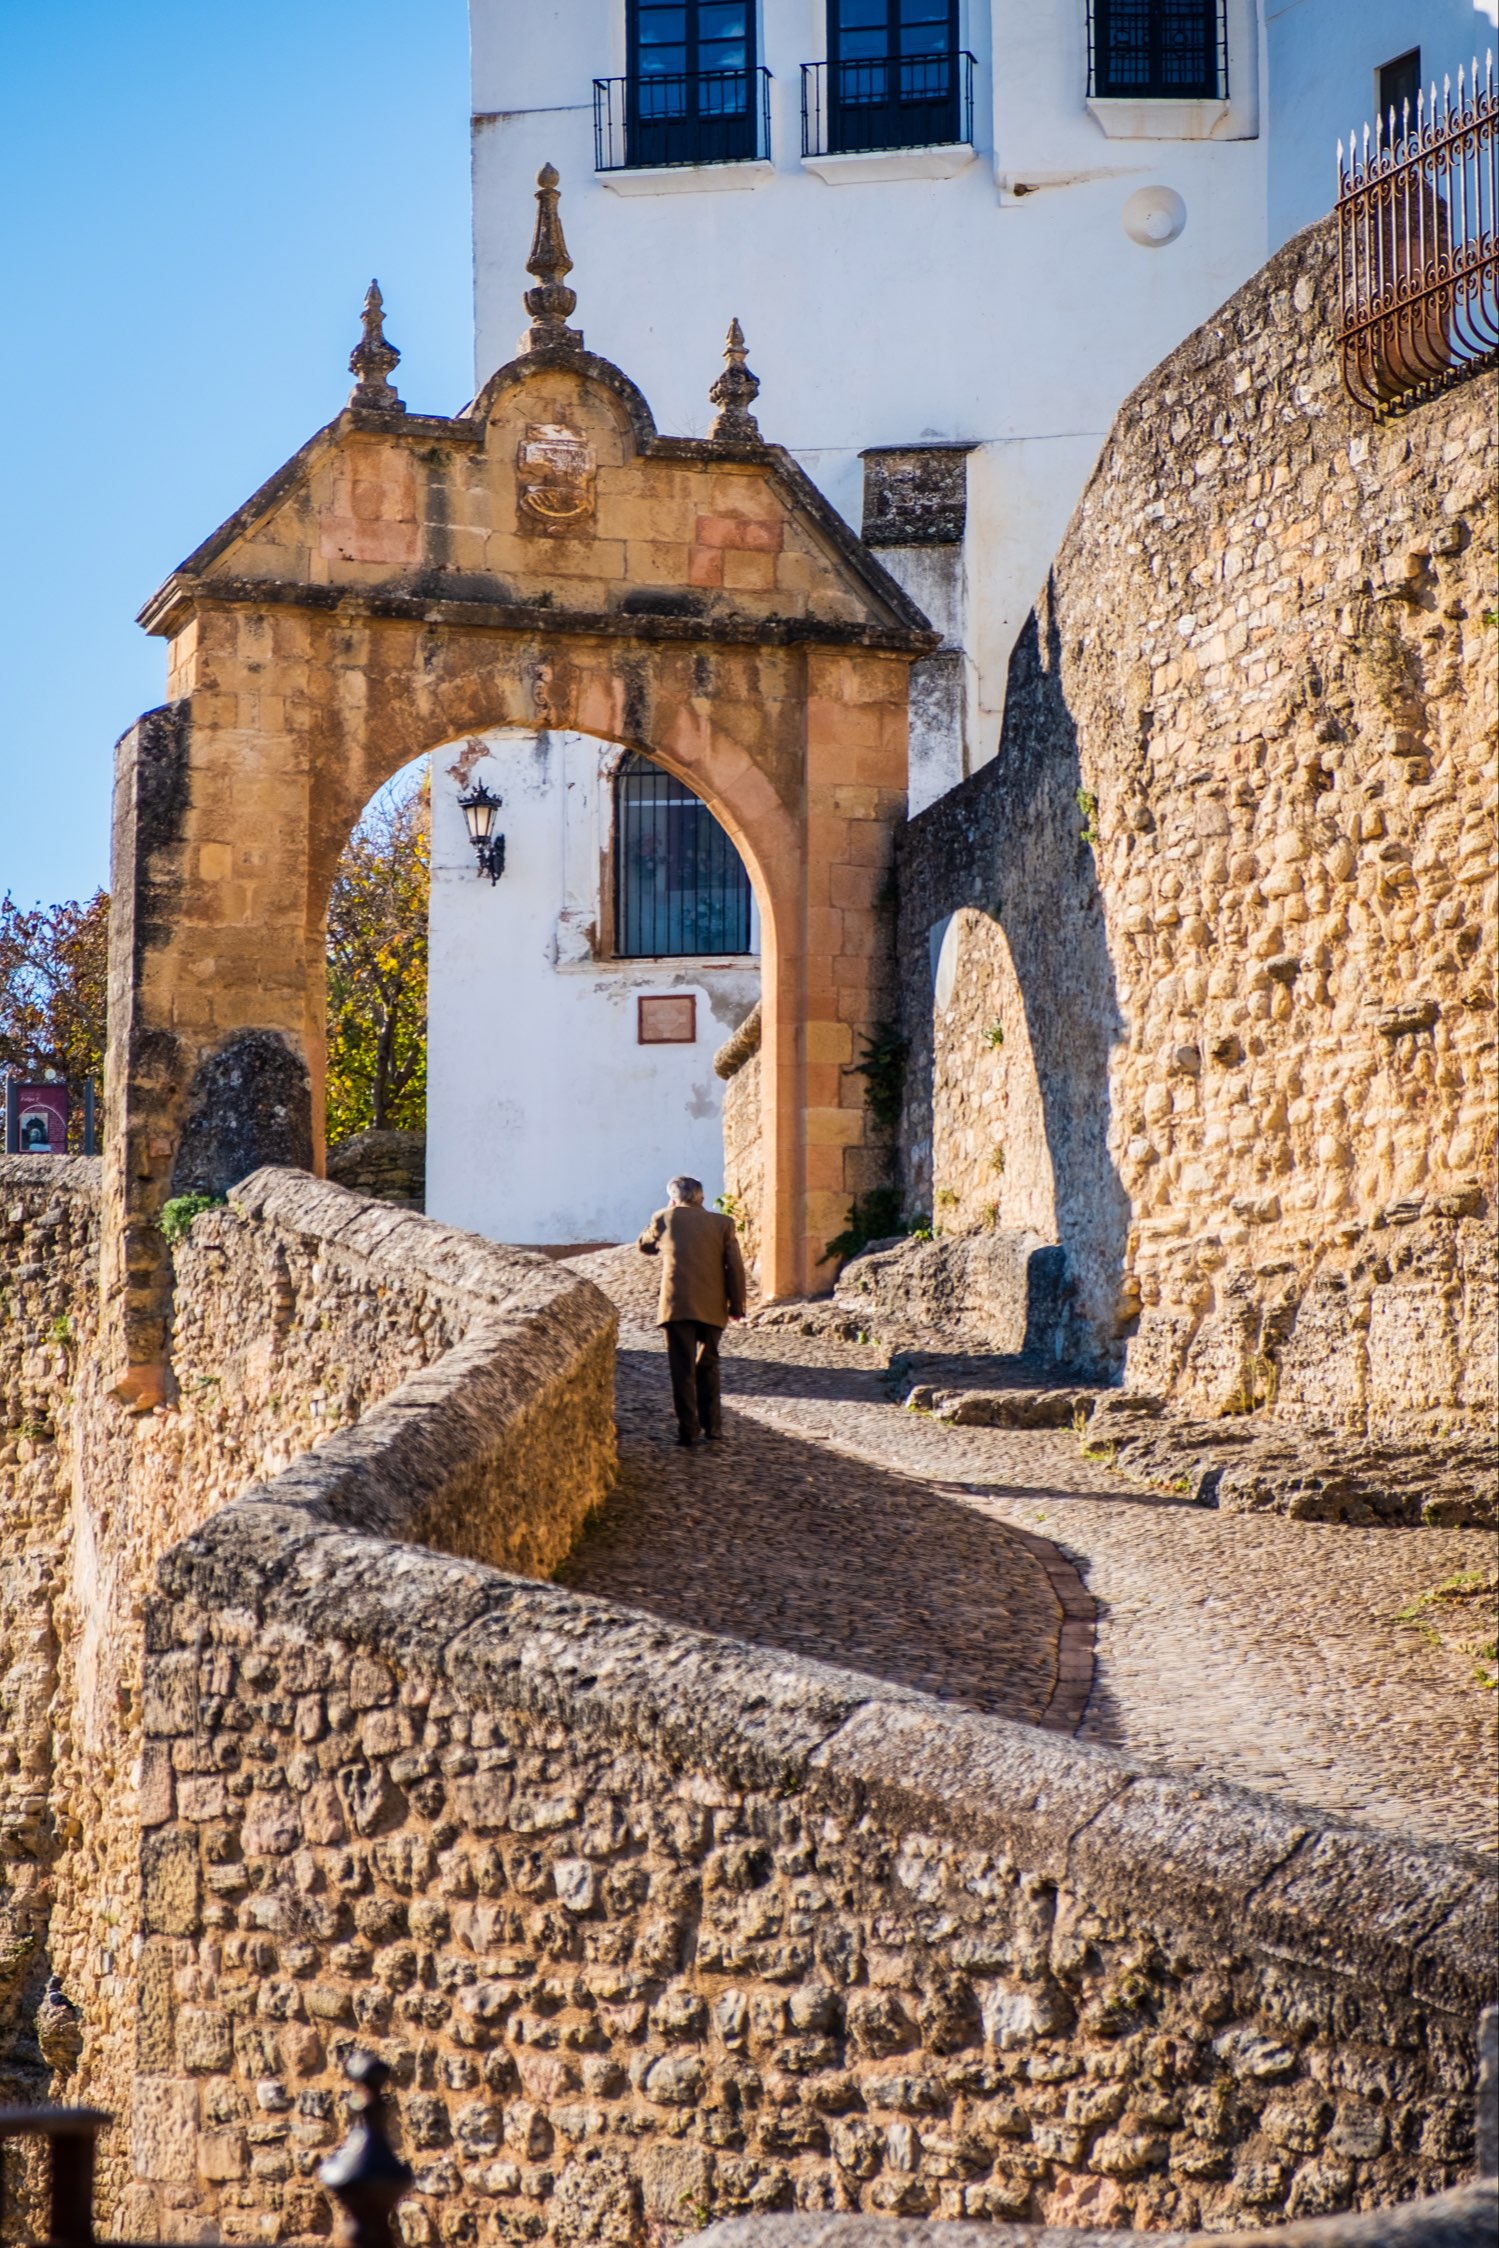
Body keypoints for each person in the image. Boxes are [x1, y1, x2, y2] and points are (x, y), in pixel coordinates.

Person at [637, 1174, 748, 1447]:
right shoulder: (723, 1223)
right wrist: (737, 1305)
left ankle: (688, 1430)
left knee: (682, 1369)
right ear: (702, 1198)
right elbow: (734, 1266)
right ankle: (713, 1427)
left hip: (677, 1306)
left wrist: (668, 1210)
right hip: (713, 1307)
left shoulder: (664, 1217)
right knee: (708, 1365)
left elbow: (646, 1246)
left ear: (674, 1198)